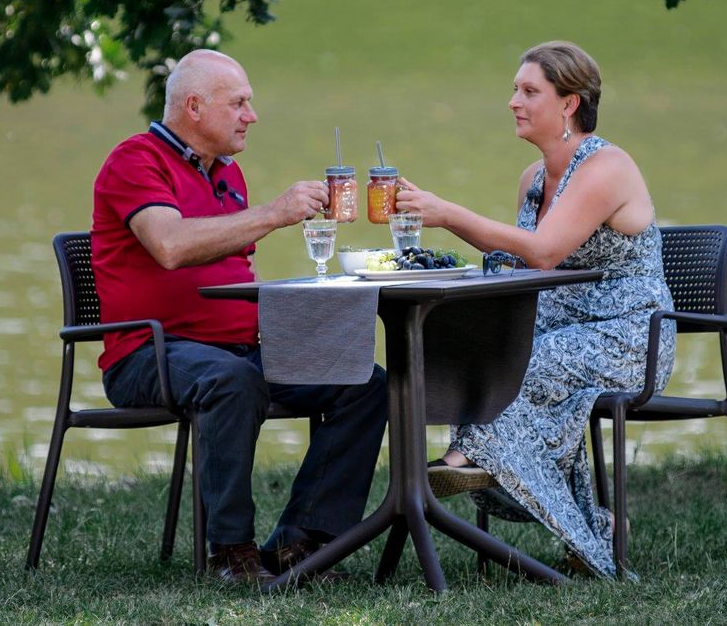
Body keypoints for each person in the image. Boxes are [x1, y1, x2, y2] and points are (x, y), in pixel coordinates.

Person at [90, 49, 387, 586]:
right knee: (232, 381)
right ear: (196, 107)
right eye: (240, 103)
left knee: (361, 379)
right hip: (146, 353)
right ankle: (232, 553)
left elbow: (232, 268)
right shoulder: (135, 161)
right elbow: (170, 245)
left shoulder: (228, 173)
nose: (252, 115)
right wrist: (274, 214)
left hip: (240, 350)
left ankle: (303, 543)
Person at [394, 40, 675, 577]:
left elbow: (545, 251)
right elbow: (523, 262)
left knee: (517, 366)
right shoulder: (531, 181)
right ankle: (592, 522)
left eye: (529, 91)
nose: (514, 102)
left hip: (628, 338)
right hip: (555, 334)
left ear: (569, 103)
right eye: (514, 91)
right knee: (483, 358)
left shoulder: (606, 167)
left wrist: (446, 212)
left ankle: (470, 460)